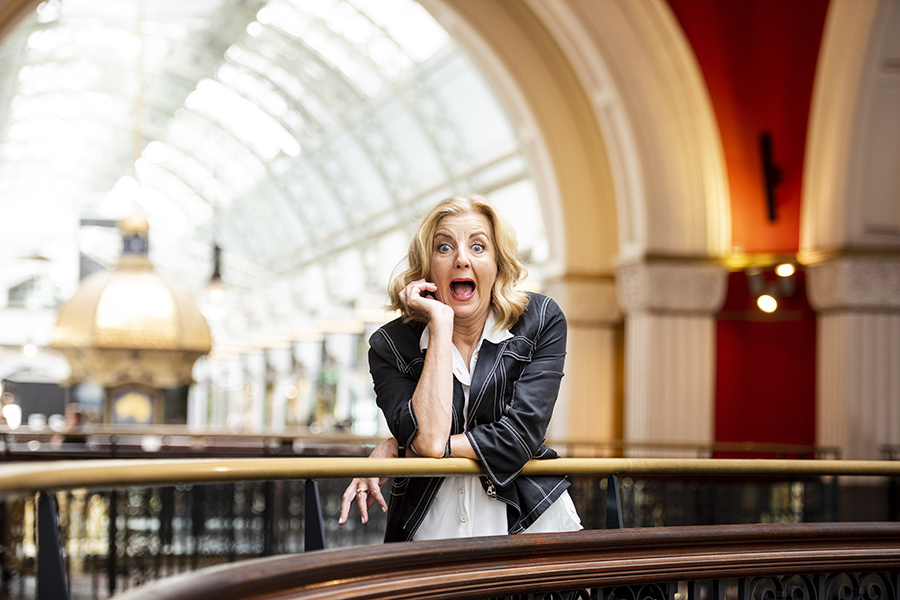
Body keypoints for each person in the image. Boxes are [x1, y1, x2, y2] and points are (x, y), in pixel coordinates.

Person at [338, 193, 581, 542]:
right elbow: (429, 437)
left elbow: (519, 437)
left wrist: (404, 447)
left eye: (478, 247)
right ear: (426, 267)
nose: (462, 260)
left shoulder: (541, 320)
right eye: (445, 247)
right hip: (431, 529)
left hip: (530, 523)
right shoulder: (389, 346)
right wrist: (440, 323)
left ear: (498, 263)